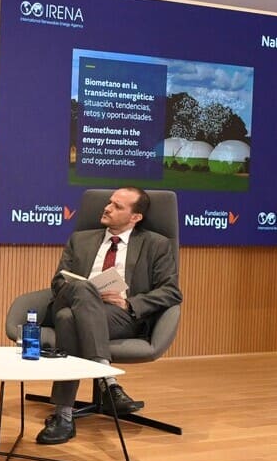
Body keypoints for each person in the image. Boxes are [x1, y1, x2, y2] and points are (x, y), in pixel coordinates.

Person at [36, 186, 182, 445]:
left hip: (119, 315)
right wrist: (87, 291)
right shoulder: (80, 239)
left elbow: (171, 292)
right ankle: (108, 380)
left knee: (69, 320)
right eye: (109, 202)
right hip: (73, 301)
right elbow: (59, 282)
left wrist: (129, 303)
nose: (107, 208)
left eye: (117, 206)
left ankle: (63, 417)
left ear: (135, 217)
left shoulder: (156, 244)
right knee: (81, 289)